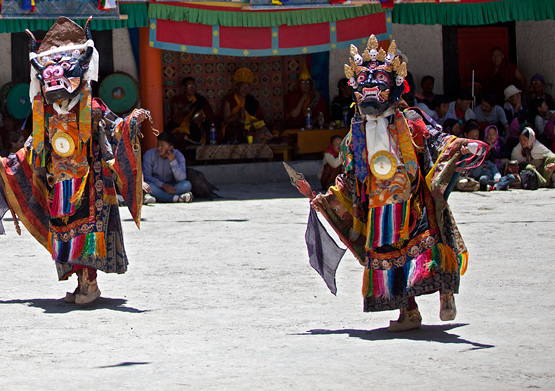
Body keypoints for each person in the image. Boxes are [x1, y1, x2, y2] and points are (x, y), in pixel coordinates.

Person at [308, 36, 488, 331]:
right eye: (363, 81)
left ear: (392, 87)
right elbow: (351, 175)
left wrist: (461, 146)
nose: (369, 87)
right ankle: (409, 312)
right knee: (392, 262)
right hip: (381, 209)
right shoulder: (356, 133)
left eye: (378, 80)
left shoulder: (411, 120)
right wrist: (328, 198)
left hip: (414, 200)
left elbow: (439, 139)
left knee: (433, 244)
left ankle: (445, 294)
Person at [0, 18, 149, 305]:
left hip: (91, 182)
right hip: (58, 184)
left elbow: (115, 127)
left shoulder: (92, 106)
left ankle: (91, 284)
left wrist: (130, 124)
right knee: (65, 234)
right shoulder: (46, 113)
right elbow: (34, 146)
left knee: (87, 232)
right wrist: (8, 164)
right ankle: (78, 282)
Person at [141, 131, 193, 204]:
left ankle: (161, 197)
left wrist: (173, 161)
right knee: (148, 186)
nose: (159, 148)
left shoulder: (178, 156)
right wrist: (163, 185)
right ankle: (177, 198)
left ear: (170, 148)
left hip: (173, 186)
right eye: (158, 145)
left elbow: (181, 178)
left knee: (187, 185)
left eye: (162, 146)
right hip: (156, 185)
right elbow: (147, 176)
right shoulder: (149, 154)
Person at [219, 67, 266, 143]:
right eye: (243, 87)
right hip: (234, 129)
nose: (246, 90)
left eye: (247, 87)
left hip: (249, 128)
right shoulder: (229, 101)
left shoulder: (252, 102)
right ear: (237, 88)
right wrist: (238, 114)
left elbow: (260, 120)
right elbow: (226, 121)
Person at [169, 77, 214, 145]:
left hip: (196, 127)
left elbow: (209, 116)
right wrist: (183, 111)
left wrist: (202, 118)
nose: (193, 88)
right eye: (190, 86)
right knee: (176, 136)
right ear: (184, 88)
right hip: (183, 127)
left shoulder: (200, 100)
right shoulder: (178, 100)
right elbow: (176, 120)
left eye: (194, 86)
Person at [503, 85, 531, 152]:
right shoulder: (505, 109)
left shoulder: (523, 106)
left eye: (519, 95)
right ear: (509, 99)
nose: (518, 98)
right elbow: (511, 124)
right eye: (516, 96)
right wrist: (516, 111)